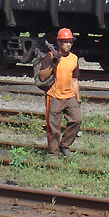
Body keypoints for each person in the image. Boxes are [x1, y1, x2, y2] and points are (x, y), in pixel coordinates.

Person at [39, 28, 81, 156]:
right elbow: (42, 76)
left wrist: (78, 99)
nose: (68, 45)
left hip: (69, 96)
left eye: (70, 42)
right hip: (54, 96)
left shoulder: (74, 58)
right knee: (54, 128)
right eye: (65, 42)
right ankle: (53, 153)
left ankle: (64, 145)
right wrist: (53, 63)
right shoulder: (50, 56)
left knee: (76, 120)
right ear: (59, 42)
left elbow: (74, 80)